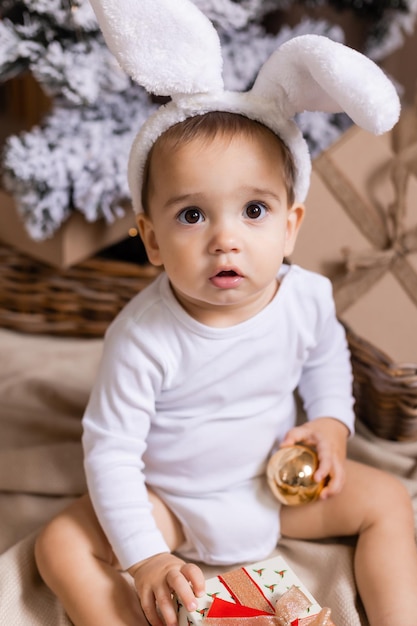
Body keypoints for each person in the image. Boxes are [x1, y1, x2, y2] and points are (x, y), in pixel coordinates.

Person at [34, 109, 417, 626]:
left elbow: (326, 359)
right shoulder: (141, 337)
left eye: (254, 209)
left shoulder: (306, 297)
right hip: (170, 502)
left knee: (389, 498)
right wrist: (146, 557)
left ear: (290, 226)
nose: (225, 239)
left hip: (276, 488)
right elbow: (111, 452)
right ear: (151, 240)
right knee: (58, 546)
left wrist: (331, 423)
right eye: (192, 216)